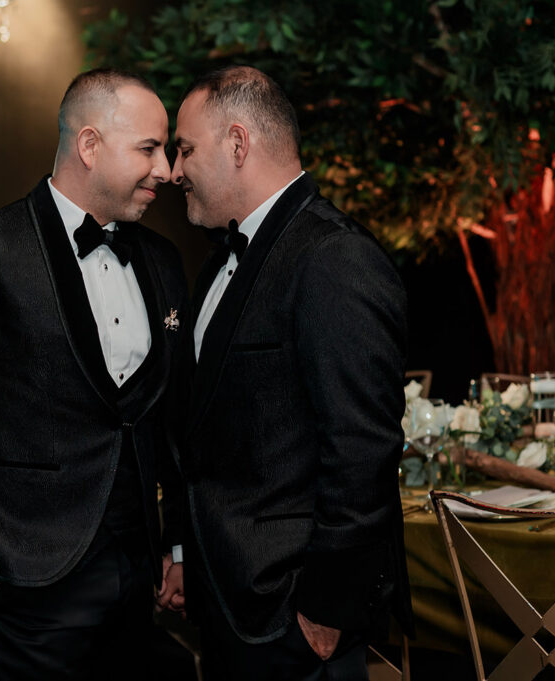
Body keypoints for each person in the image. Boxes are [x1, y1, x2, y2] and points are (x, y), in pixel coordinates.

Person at [0, 68, 188, 681]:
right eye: (149, 149)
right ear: (89, 145)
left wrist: (177, 543)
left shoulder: (162, 259)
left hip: (139, 574)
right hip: (27, 571)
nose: (166, 170)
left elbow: (172, 416)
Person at [158, 65, 412, 680]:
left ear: (237, 144)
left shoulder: (334, 257)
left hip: (293, 618)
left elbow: (363, 449)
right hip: (228, 603)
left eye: (185, 149)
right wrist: (185, 550)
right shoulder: (218, 262)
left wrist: (326, 608)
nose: (173, 171)